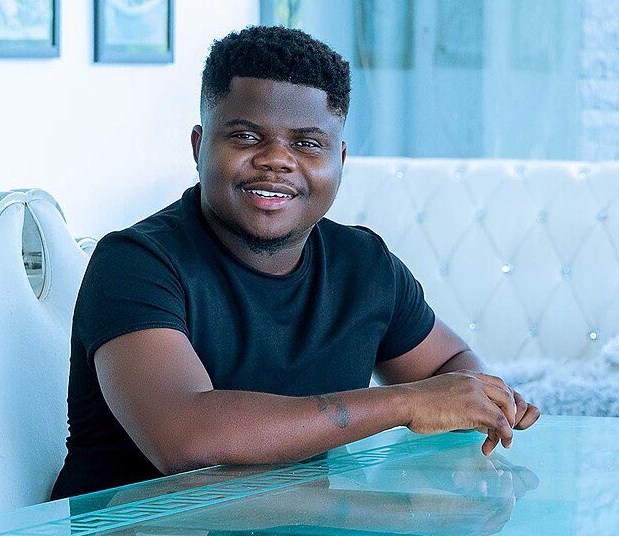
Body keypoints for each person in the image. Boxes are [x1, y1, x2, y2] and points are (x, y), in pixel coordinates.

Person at [51, 25, 539, 500]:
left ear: (340, 158)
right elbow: (187, 440)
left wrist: (477, 406)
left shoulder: (365, 266)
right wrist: (408, 408)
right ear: (199, 146)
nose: (277, 160)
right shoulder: (135, 262)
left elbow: (450, 367)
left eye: (307, 143)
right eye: (246, 137)